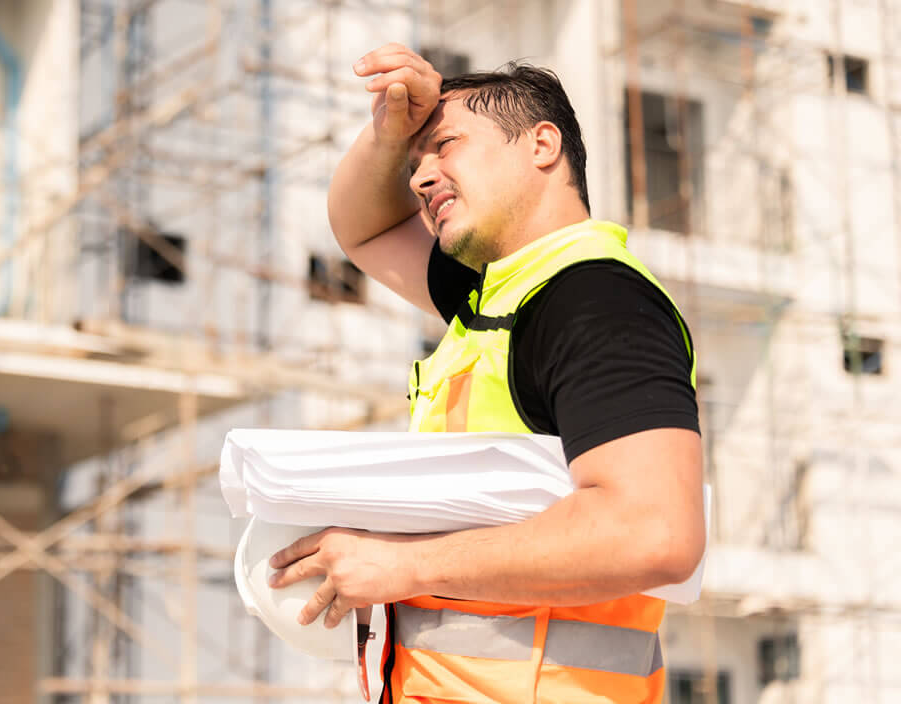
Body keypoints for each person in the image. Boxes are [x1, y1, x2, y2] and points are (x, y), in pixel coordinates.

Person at [267, 43, 705, 703]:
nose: (419, 178)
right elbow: (360, 228)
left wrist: (401, 564)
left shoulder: (593, 301)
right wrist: (390, 133)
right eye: (415, 166)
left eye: (445, 145)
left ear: (541, 144)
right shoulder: (497, 299)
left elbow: (655, 532)